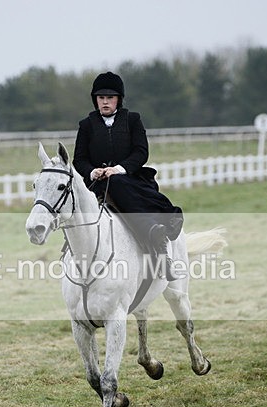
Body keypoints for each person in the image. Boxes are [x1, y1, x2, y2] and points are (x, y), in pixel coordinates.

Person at [72, 71, 184, 280]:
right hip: (97, 184)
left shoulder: (132, 120)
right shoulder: (86, 125)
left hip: (131, 179)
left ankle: (160, 250)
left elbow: (141, 152)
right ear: (95, 100)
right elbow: (79, 159)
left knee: (117, 183)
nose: (105, 102)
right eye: (101, 98)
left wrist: (119, 169)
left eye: (110, 98)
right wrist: (92, 171)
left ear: (118, 99)